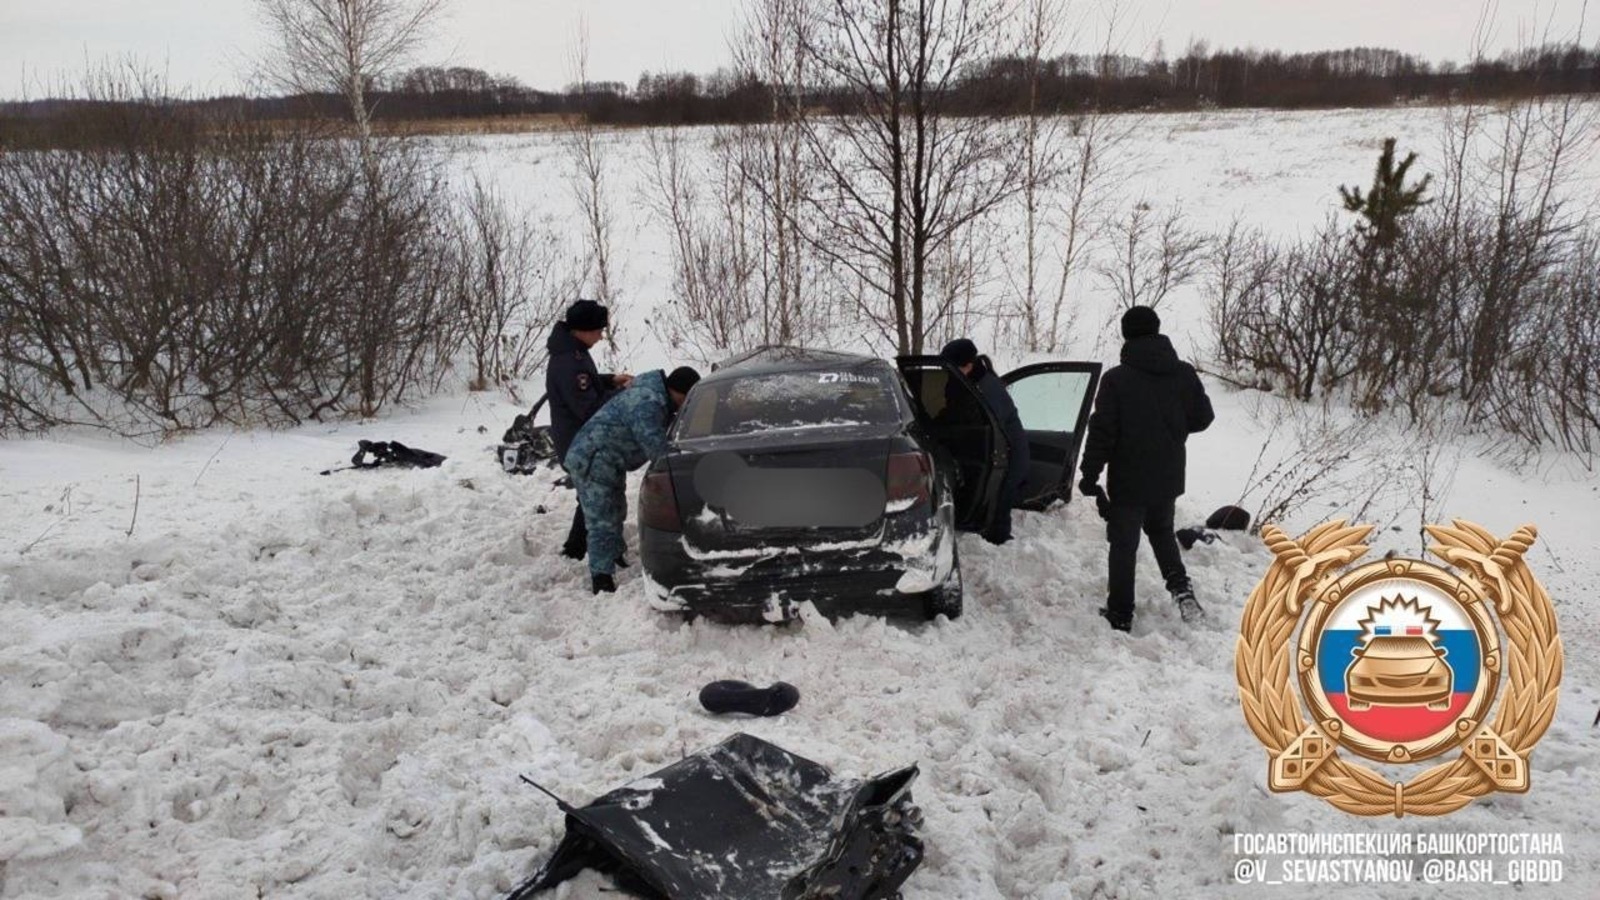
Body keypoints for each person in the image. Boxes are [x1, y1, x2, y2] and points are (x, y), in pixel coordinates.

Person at [1078, 306, 1214, 632]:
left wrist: (1089, 474)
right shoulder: (1183, 373)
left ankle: (1120, 613)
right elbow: (1203, 417)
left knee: (1124, 545)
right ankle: (1181, 590)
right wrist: (1172, 429)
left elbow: (1102, 432)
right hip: (1168, 473)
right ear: (1157, 329)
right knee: (1162, 530)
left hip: (1129, 478)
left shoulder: (1116, 380)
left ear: (1126, 334)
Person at [564, 366, 702, 594]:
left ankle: (614, 554)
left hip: (609, 460)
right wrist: (685, 470)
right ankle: (601, 576)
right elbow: (656, 448)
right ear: (679, 392)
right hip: (593, 459)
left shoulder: (657, 397)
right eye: (687, 399)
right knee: (602, 519)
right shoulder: (647, 402)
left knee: (616, 510)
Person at [545, 299, 633, 561]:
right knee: (596, 494)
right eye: (597, 331)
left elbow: (586, 384)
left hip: (578, 438)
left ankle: (575, 548)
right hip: (578, 441)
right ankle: (582, 549)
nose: (600, 336)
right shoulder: (570, 360)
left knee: (591, 494)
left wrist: (610, 380)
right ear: (582, 330)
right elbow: (589, 407)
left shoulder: (573, 351)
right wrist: (623, 394)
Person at [939, 338, 1030, 545]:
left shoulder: (988, 389)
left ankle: (1000, 547)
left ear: (968, 365)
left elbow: (984, 425)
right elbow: (952, 411)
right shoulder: (961, 381)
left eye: (952, 368)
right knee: (982, 503)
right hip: (988, 450)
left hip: (1007, 455)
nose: (948, 373)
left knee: (997, 507)